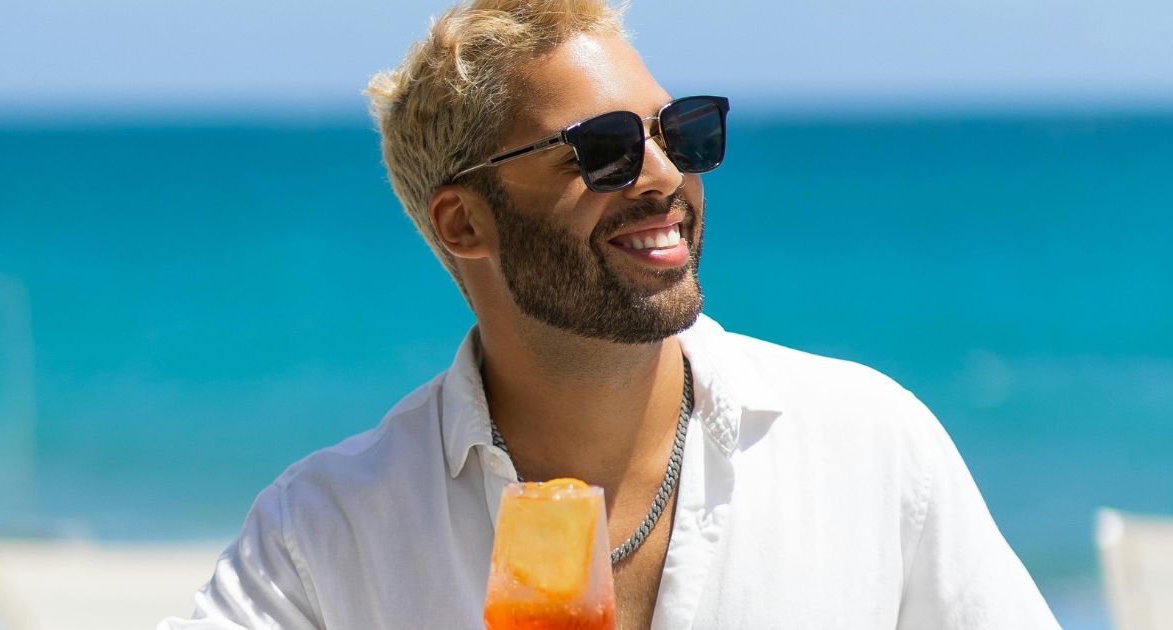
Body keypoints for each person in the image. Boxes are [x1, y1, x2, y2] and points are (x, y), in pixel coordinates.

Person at [160, 1, 1060, 628]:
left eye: (679, 132)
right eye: (603, 150)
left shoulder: (869, 446)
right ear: (464, 222)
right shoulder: (328, 533)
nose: (665, 175)